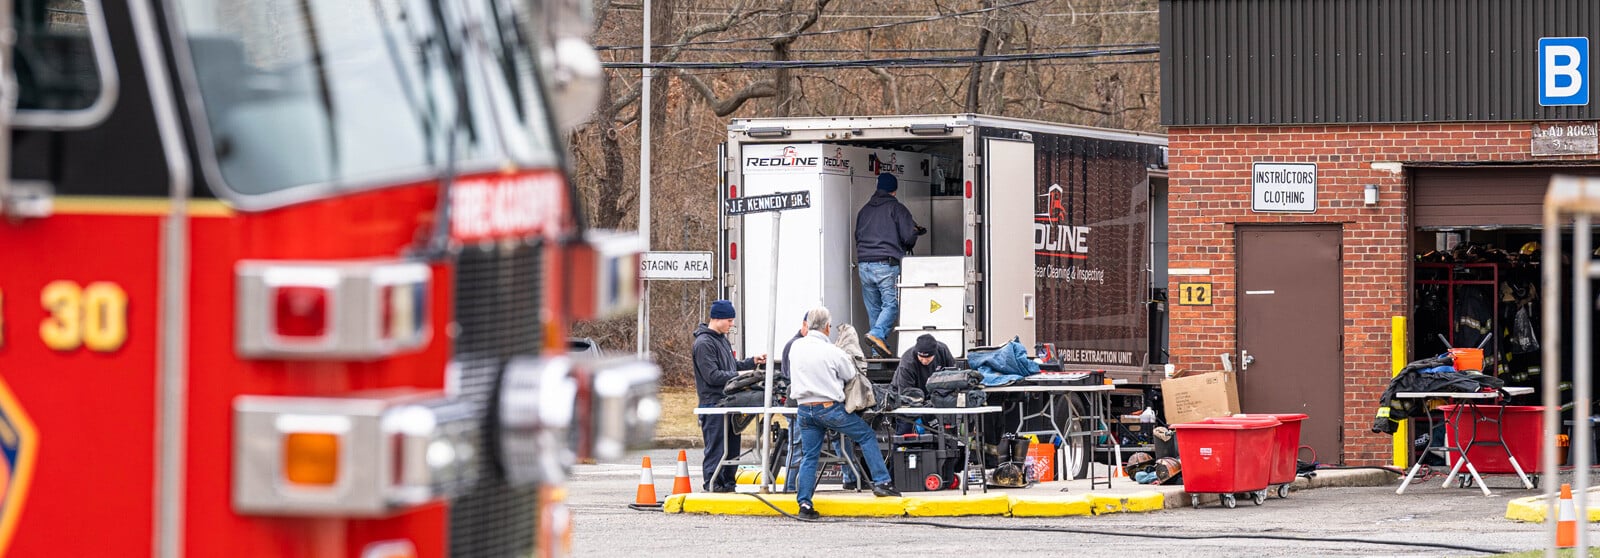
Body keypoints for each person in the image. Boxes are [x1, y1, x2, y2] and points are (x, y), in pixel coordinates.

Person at [789, 306, 899, 519]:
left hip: (804, 409)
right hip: (829, 409)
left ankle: (804, 503)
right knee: (866, 435)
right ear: (827, 327)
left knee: (810, 456)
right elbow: (850, 374)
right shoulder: (833, 351)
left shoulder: (795, 347)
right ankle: (882, 482)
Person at [692, 299, 767, 493]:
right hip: (713, 404)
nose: (732, 324)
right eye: (729, 320)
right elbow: (713, 376)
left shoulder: (721, 339)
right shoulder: (703, 343)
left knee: (732, 449)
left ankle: (728, 484)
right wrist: (742, 376)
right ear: (716, 318)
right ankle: (713, 484)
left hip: (729, 403)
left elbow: (731, 367)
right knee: (717, 448)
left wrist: (751, 362)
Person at [854, 172, 925, 358]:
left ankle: (877, 351)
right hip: (886, 265)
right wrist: (914, 235)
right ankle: (877, 335)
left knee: (874, 309)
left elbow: (858, 236)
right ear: (894, 190)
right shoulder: (897, 208)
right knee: (891, 305)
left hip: (863, 266)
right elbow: (908, 236)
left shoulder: (864, 210)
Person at [890, 334, 956, 435]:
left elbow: (953, 376)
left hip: (933, 396)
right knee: (905, 431)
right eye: (921, 358)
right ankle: (900, 448)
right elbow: (905, 395)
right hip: (907, 396)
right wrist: (917, 415)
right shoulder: (907, 363)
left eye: (928, 358)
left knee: (944, 434)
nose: (924, 361)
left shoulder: (942, 351)